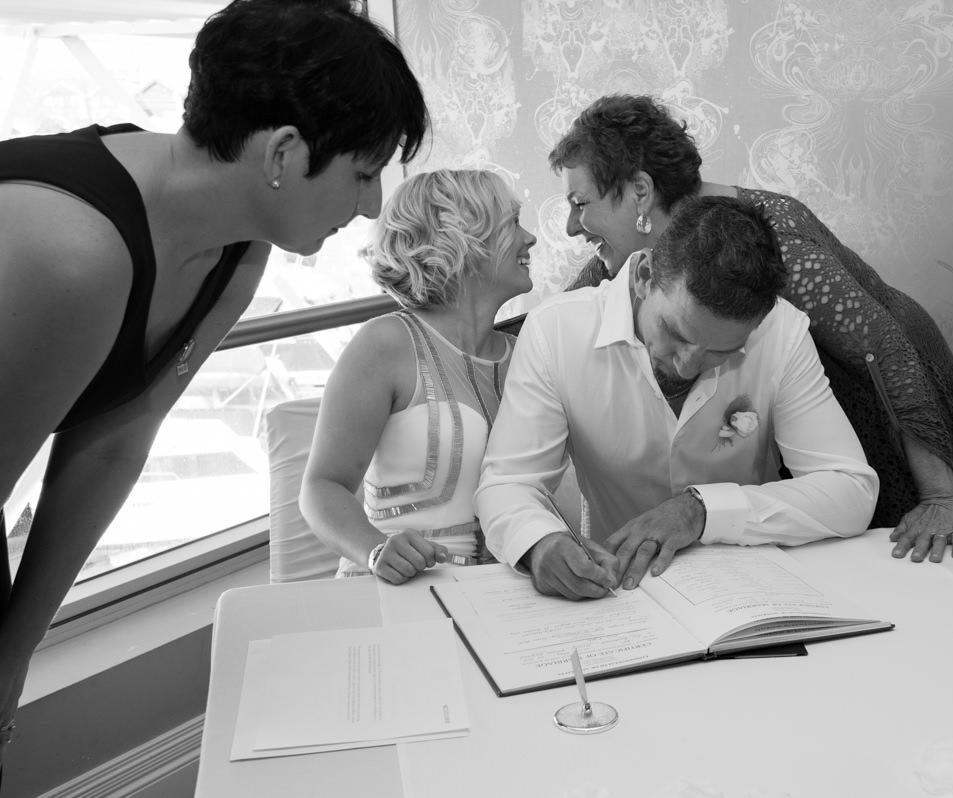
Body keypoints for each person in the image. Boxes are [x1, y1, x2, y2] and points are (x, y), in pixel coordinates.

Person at [0, 0, 427, 778]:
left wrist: (16, 646)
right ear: (285, 152)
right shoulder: (73, 250)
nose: (370, 205)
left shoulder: (239, 253)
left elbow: (117, 441)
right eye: (363, 174)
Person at [547, 93, 953, 567]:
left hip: (892, 392)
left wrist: (938, 496)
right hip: (834, 399)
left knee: (915, 549)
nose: (570, 226)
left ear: (640, 192)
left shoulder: (767, 241)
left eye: (580, 203)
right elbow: (570, 307)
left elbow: (884, 349)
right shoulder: (648, 253)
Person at [475, 195, 879, 600]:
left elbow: (851, 491)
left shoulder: (782, 333)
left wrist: (702, 510)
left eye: (722, 351)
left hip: (753, 591)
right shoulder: (556, 331)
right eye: (677, 334)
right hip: (617, 595)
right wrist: (538, 544)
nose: (687, 366)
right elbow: (507, 484)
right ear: (646, 276)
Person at [300, 170, 536, 582]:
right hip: (394, 593)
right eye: (512, 223)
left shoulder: (528, 354)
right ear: (465, 238)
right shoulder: (386, 343)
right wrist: (374, 551)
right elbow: (322, 487)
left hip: (500, 600)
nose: (529, 238)